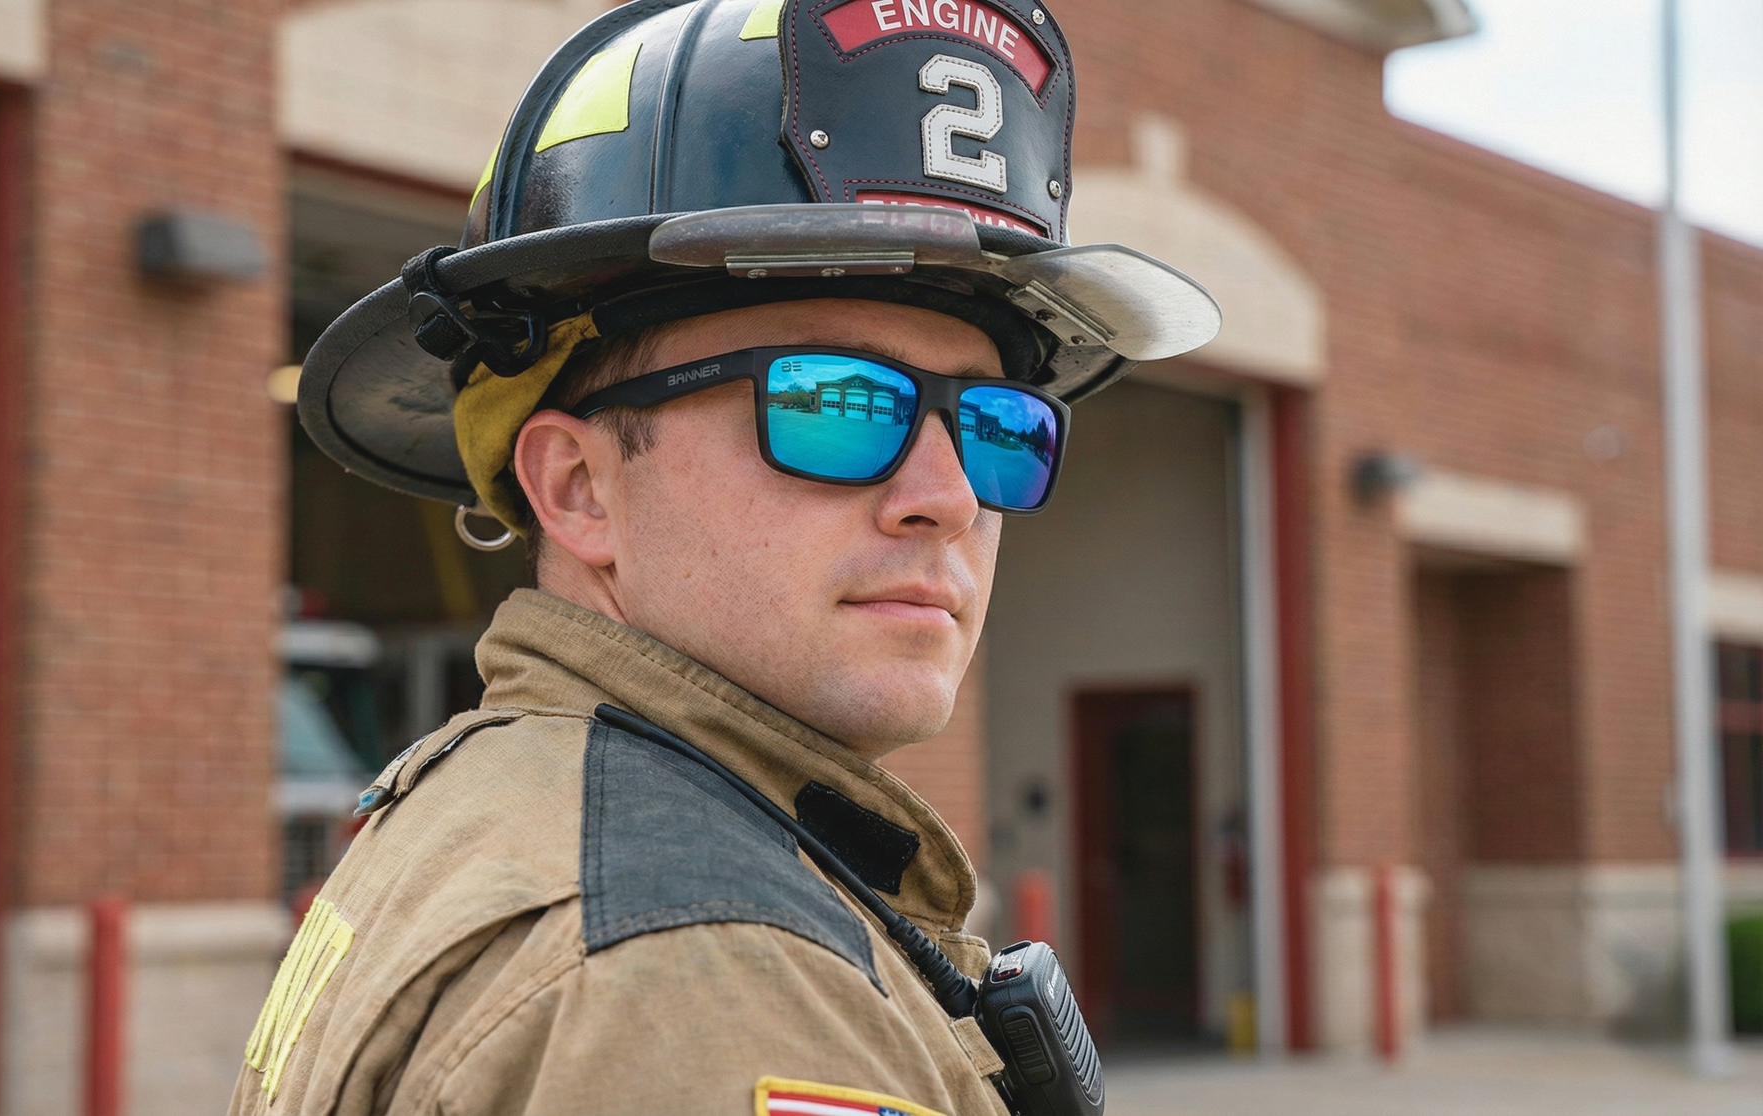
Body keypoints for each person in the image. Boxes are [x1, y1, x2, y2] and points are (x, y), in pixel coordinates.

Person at [230, 0, 1217, 1112]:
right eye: (837, 403)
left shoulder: (492, 807)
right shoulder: (700, 962)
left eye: (995, 427)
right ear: (578, 489)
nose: (944, 498)